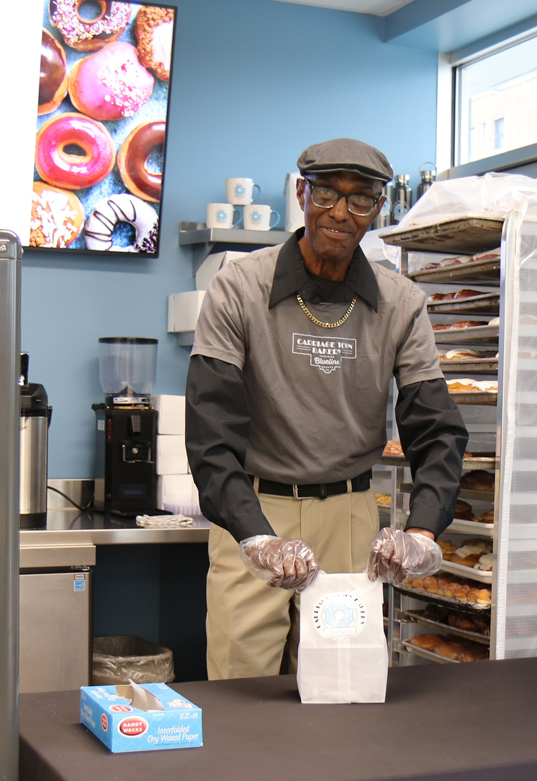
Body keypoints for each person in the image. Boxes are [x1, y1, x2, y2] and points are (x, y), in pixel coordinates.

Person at [187, 138, 468, 679]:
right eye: (325, 194)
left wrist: (425, 532)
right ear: (301, 193)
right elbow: (210, 430)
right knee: (242, 685)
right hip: (255, 510)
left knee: (343, 683)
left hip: (350, 513)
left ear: (378, 209)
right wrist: (255, 535)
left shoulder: (402, 303)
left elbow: (435, 427)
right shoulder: (239, 288)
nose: (341, 213)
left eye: (360, 199)